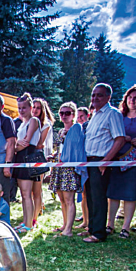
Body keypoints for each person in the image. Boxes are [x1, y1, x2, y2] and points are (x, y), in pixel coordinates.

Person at [106, 84, 136, 239]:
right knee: (113, 193)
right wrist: (121, 137)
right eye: (130, 98)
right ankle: (110, 224)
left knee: (130, 194)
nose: (132, 101)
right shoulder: (119, 115)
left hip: (135, 161)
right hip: (117, 159)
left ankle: (125, 227)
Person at [81, 84, 126, 243]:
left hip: (101, 161)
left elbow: (119, 139)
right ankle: (92, 228)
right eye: (93, 95)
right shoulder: (95, 115)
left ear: (108, 97)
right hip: (89, 161)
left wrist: (105, 162)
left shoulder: (113, 114)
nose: (95, 98)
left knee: (99, 197)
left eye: (99, 95)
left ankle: (99, 233)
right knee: (91, 197)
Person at [48, 102, 88, 237]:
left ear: (73, 115)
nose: (64, 116)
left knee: (69, 199)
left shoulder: (76, 128)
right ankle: (65, 224)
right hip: (60, 168)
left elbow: (75, 149)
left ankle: (69, 230)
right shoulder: (61, 131)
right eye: (62, 113)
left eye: (67, 113)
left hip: (70, 168)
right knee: (62, 199)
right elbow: (61, 149)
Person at [12, 93, 42, 233]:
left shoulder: (34, 121)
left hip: (28, 157)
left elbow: (26, 142)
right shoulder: (22, 123)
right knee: (23, 194)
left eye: (24, 107)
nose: (22, 110)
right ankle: (25, 221)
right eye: (19, 108)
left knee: (27, 194)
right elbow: (18, 144)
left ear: (30, 107)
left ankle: (29, 224)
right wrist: (17, 144)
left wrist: (17, 145)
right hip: (20, 157)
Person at [31, 98, 55, 226]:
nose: (35, 110)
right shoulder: (28, 122)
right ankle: (34, 211)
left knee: (37, 189)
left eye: (38, 108)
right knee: (30, 190)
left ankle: (34, 219)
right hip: (28, 159)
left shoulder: (46, 124)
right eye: (33, 107)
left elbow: (39, 144)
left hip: (39, 159)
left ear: (42, 110)